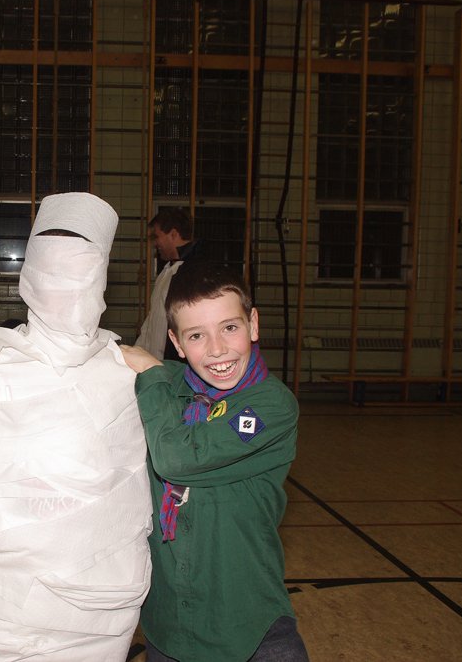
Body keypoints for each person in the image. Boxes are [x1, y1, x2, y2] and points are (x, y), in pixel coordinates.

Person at [0, 192, 153, 661]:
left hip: (103, 603)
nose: (67, 295)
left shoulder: (124, 370)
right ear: (30, 279)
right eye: (53, 278)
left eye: (80, 278)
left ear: (100, 281)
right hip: (6, 605)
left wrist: (160, 375)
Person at [120, 260, 308, 662]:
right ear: (176, 342)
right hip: (171, 623)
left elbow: (175, 459)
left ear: (253, 324)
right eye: (196, 335)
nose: (217, 349)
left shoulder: (271, 405)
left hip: (249, 624)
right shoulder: (169, 385)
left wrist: (150, 372)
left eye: (230, 327)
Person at [135, 208, 204, 361]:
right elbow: (152, 320)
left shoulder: (195, 273)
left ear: (173, 234)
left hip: (175, 365)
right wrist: (138, 351)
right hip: (156, 363)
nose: (155, 243)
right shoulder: (168, 270)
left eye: (156, 237)